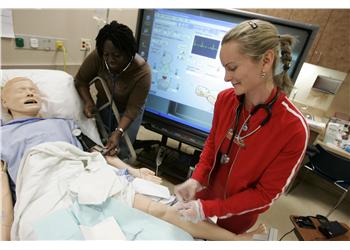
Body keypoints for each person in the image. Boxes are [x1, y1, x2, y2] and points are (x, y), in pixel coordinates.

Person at [0, 77, 266, 241]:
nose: (30, 92)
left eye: (33, 88)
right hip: (41, 185)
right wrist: (6, 233)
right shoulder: (3, 135)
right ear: (4, 99)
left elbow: (95, 152)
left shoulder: (62, 122)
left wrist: (133, 172)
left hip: (82, 175)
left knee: (161, 211)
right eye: (22, 88)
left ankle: (231, 239)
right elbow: (4, 192)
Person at [174, 19, 309, 234]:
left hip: (238, 216)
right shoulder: (225, 100)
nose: (226, 77)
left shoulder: (294, 128)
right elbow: (212, 145)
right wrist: (197, 179)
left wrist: (212, 208)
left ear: (266, 61)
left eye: (232, 68)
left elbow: (266, 195)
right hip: (204, 199)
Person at [74, 21, 151, 158]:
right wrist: (88, 102)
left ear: (129, 54)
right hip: (104, 103)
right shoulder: (98, 56)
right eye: (106, 55)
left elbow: (132, 110)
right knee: (100, 144)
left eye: (117, 56)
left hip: (129, 110)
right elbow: (80, 80)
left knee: (122, 150)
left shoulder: (142, 72)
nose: (110, 60)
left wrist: (118, 132)